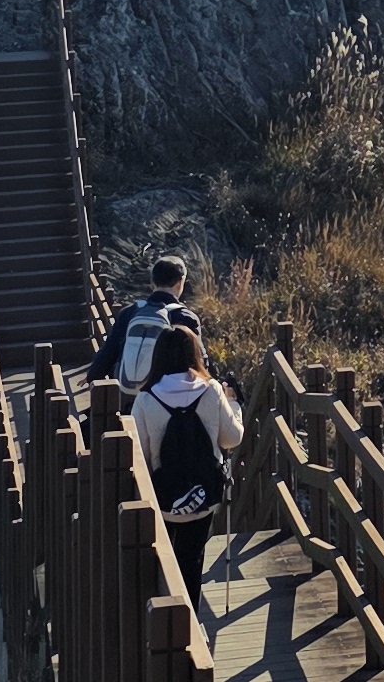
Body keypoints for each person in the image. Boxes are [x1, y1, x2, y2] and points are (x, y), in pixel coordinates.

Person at [133, 325, 242, 598]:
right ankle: (190, 614)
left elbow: (140, 455)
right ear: (194, 354)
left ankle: (161, 611)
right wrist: (234, 405)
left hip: (163, 498)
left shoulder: (145, 399)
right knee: (192, 559)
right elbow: (232, 438)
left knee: (160, 561)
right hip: (202, 496)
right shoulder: (212, 390)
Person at [90, 256, 204, 391]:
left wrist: (92, 377)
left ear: (152, 283)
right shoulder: (186, 318)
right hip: (167, 397)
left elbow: (109, 351)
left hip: (130, 394)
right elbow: (199, 362)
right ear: (180, 283)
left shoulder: (130, 312)